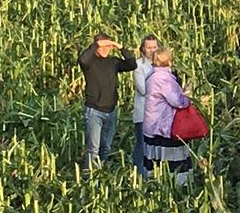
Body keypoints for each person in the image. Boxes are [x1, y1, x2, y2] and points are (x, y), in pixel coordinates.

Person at [77, 32, 136, 168]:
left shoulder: (113, 62)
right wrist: (97, 44)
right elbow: (83, 59)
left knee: (106, 148)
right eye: (101, 47)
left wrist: (120, 47)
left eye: (108, 47)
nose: (105, 50)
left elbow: (132, 64)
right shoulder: (90, 63)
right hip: (94, 111)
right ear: (96, 47)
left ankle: (101, 175)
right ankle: (90, 177)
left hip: (111, 111)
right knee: (93, 149)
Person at [141, 46, 195, 185]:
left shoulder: (152, 75)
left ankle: (155, 186)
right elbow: (177, 101)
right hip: (163, 126)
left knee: (154, 160)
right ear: (169, 60)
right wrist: (187, 95)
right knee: (174, 160)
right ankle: (178, 187)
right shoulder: (164, 78)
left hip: (151, 125)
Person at [130, 34, 159, 175]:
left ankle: (152, 175)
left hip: (159, 115)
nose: (152, 50)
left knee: (155, 148)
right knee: (142, 146)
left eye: (154, 47)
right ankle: (139, 176)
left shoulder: (162, 64)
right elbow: (143, 90)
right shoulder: (138, 66)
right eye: (148, 47)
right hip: (143, 114)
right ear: (142, 48)